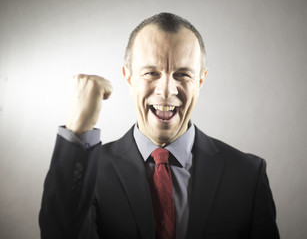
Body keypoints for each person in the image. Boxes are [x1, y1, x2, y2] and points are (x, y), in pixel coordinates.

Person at [39, 12, 279, 239]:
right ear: (129, 77)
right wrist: (78, 129)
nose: (166, 90)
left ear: (201, 80)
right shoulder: (90, 172)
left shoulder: (247, 175)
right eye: (152, 73)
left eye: (182, 74)